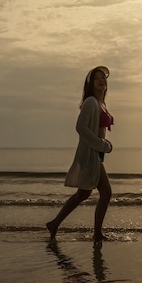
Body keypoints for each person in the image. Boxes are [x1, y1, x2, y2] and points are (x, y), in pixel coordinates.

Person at [47, 65, 114, 242]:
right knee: (106, 192)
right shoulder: (90, 102)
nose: (101, 80)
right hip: (91, 154)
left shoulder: (101, 104)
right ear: (90, 83)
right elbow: (80, 127)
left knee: (83, 194)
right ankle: (97, 234)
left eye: (103, 78)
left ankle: (54, 223)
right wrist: (102, 144)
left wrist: (102, 146)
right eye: (97, 78)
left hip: (96, 154)